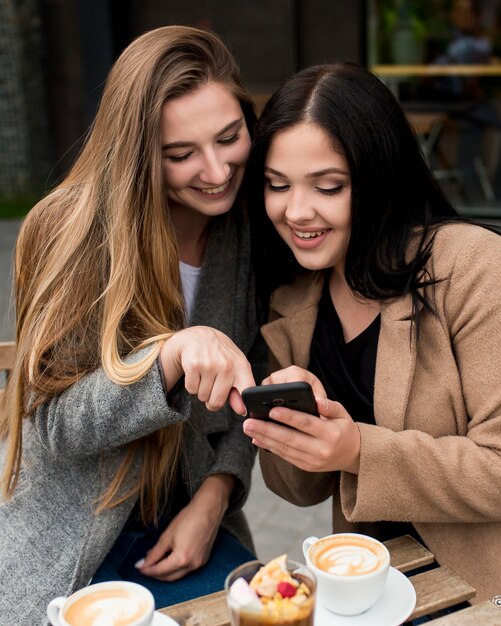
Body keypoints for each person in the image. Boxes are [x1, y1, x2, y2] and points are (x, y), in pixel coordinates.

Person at [0, 25, 264, 625]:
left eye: (229, 138)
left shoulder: (247, 226)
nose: (218, 170)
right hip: (72, 538)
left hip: (187, 517)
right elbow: (54, 427)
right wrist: (168, 357)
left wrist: (217, 494)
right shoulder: (70, 229)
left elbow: (258, 373)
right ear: (138, 151)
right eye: (181, 155)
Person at [243, 62, 501, 605]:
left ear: (381, 178)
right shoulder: (293, 298)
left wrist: (360, 449)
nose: (296, 211)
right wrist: (292, 432)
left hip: (477, 590)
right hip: (363, 589)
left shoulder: (474, 266)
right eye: (277, 186)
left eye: (328, 186)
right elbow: (296, 491)